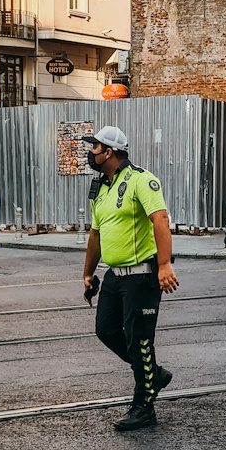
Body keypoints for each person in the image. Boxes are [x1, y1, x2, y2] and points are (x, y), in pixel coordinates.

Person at [82, 125, 179, 432]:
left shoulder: (141, 180)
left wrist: (164, 265)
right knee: (106, 330)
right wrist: (87, 272)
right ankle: (154, 374)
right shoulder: (101, 188)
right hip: (114, 275)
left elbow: (160, 219)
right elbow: (96, 233)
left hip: (142, 275)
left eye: (94, 147)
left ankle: (144, 407)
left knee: (139, 342)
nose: (90, 152)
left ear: (109, 152)